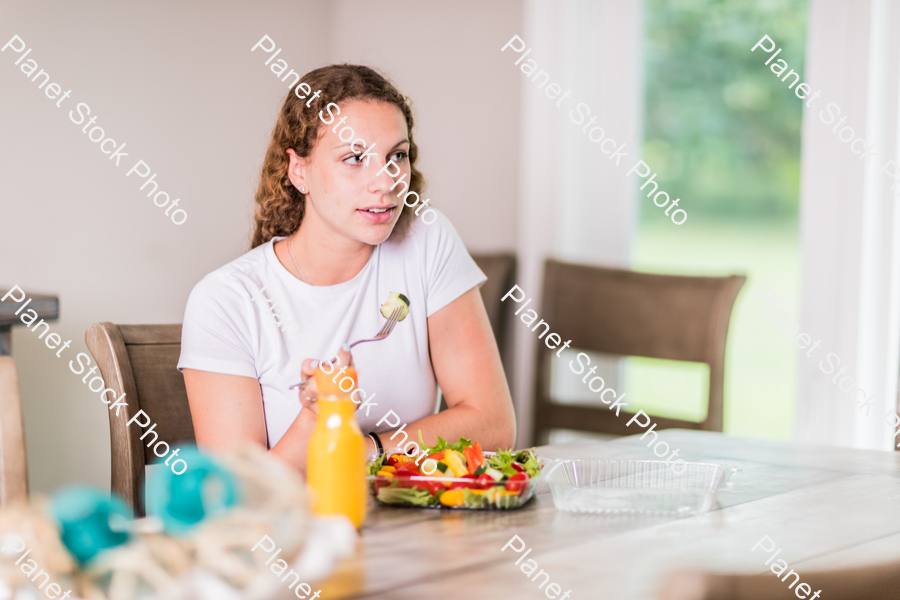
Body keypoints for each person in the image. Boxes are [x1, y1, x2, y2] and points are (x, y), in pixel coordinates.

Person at [177, 64, 516, 476]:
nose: (386, 181)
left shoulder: (427, 240)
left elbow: (493, 425)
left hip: (415, 529)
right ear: (298, 170)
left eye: (397, 156)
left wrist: (364, 450)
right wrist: (316, 421)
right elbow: (240, 499)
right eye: (354, 158)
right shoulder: (226, 301)